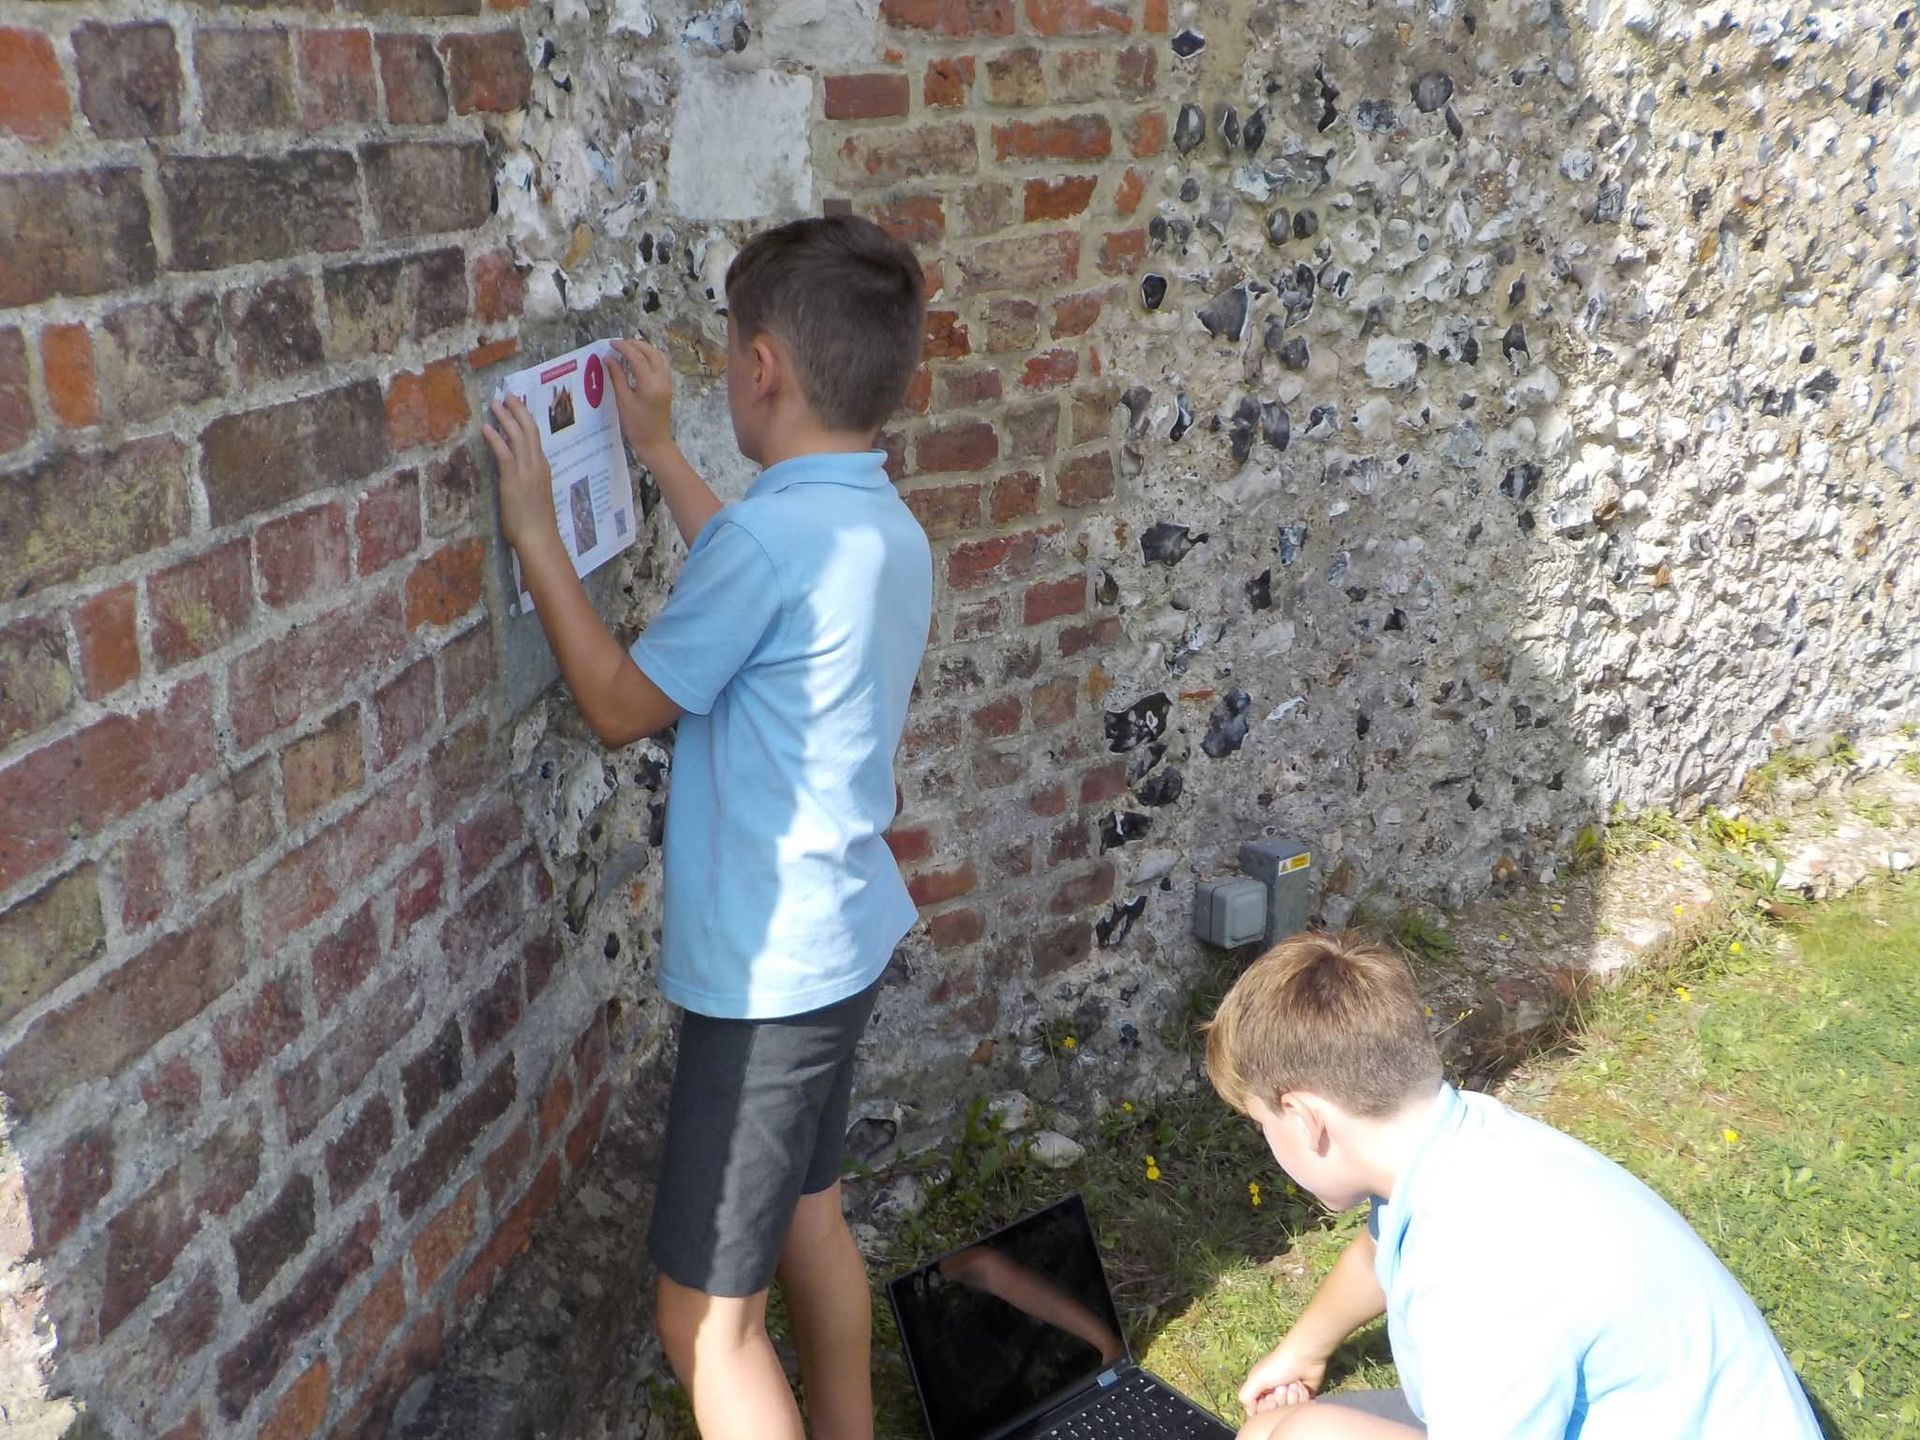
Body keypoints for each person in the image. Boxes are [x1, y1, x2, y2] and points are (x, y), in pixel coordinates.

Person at [484, 214, 933, 1440]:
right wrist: (665, 449)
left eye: (730, 348)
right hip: (842, 942)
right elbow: (751, 580)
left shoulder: (773, 544)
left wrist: (536, 537)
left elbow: (626, 706)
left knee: (704, 1322)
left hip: (765, 979)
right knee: (811, 1219)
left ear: (763, 369)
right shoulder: (881, 526)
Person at [1203, 932, 1824, 1439]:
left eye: (1264, 1124)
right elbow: (1377, 1254)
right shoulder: (1458, 1142)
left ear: (1308, 1120)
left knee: (1300, 1437)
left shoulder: (1479, 1269)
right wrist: (1302, 1350)